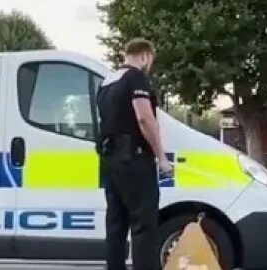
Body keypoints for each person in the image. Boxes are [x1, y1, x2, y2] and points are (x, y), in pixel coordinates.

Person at [95, 38, 172, 270]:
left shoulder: (106, 83)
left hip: (110, 160)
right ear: (145, 56)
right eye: (150, 61)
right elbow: (144, 118)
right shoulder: (136, 78)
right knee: (143, 227)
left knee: (116, 226)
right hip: (135, 159)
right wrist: (161, 156)